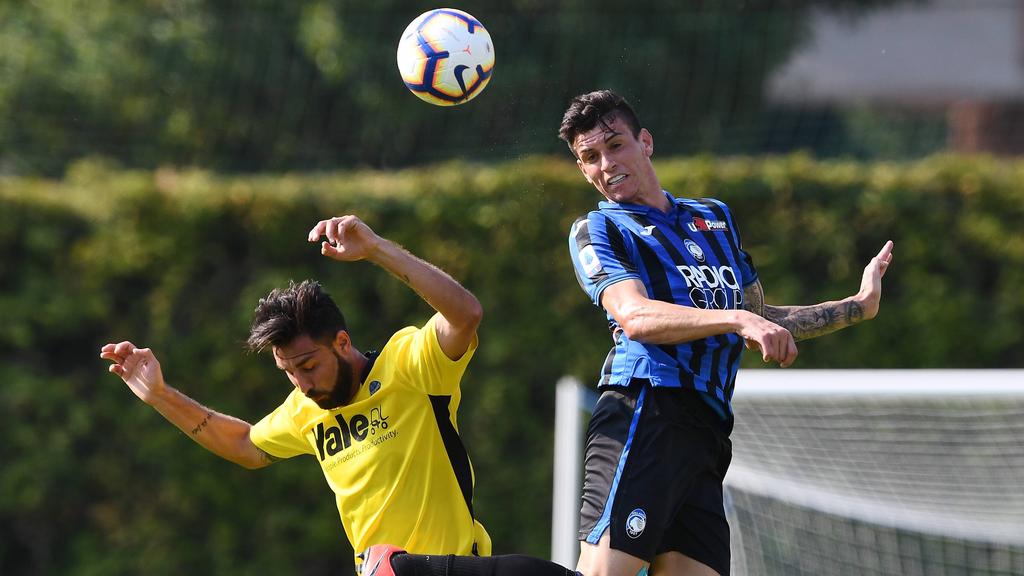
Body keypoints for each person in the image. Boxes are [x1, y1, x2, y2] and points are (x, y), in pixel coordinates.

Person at [559, 90, 894, 576]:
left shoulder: (713, 218)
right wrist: (739, 320)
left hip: (708, 430)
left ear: (646, 142)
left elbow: (758, 317)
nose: (606, 164)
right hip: (647, 410)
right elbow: (635, 317)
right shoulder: (598, 229)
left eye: (615, 145)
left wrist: (857, 307)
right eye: (590, 157)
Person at [100, 215, 493, 572]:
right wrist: (161, 396)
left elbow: (465, 315)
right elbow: (244, 444)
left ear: (342, 342)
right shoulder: (304, 409)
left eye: (307, 366)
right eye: (287, 372)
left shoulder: (409, 366)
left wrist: (376, 249)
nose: (302, 384)